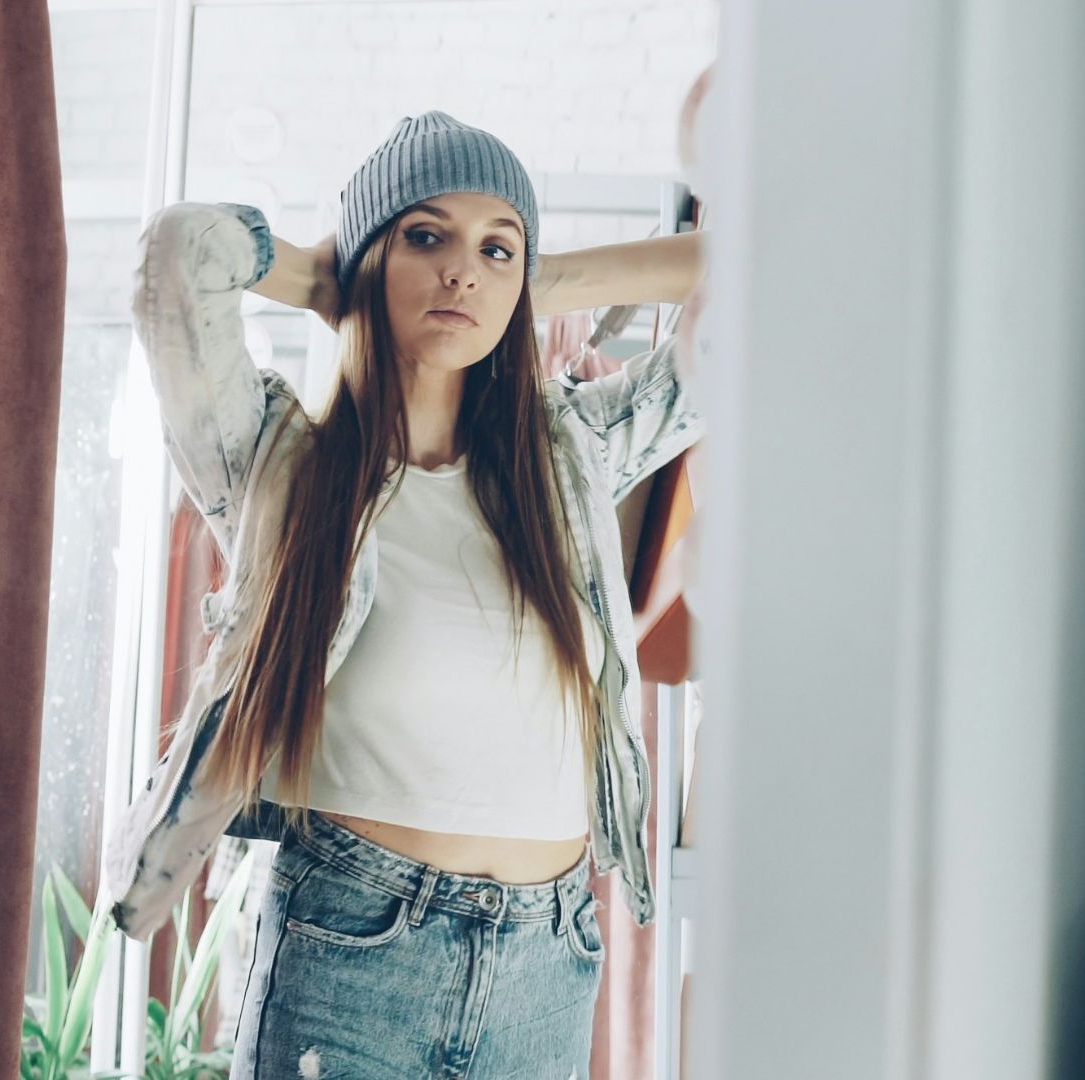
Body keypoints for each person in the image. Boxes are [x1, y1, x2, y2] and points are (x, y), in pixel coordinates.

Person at [105, 110, 706, 1078]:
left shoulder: (574, 461)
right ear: (370, 256)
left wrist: (537, 278)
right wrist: (323, 281)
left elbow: (770, 270)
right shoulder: (275, 462)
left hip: (548, 960)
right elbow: (181, 253)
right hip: (352, 947)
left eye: (494, 246)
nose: (462, 270)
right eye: (425, 236)